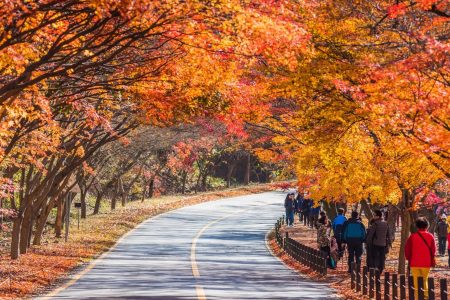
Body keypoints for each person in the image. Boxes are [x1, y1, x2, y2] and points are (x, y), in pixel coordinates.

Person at [405, 217, 436, 300]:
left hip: (414, 262)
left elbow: (407, 250)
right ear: (427, 226)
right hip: (426, 262)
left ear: (417, 226)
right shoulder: (430, 236)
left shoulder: (412, 237)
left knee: (416, 281)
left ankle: (418, 297)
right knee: (424, 280)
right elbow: (433, 250)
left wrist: (409, 259)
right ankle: (425, 297)